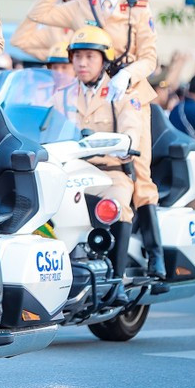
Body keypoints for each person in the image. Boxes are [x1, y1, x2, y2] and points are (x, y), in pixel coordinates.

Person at [27, 0, 165, 278]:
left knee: (139, 173)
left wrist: (128, 74)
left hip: (128, 92)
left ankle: (154, 252)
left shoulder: (136, 9)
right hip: (86, 90)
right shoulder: (82, 5)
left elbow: (150, 57)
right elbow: (39, 15)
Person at [63, 26, 142, 305]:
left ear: (104, 61)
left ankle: (117, 280)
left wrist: (125, 142)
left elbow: (132, 129)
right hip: (70, 170)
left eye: (90, 57)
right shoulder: (63, 92)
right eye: (77, 56)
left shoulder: (120, 93)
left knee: (117, 207)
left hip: (109, 173)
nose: (82, 63)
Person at [12, 0, 98, 61]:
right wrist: (58, 55)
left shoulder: (97, 25)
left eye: (80, 0)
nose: (73, 5)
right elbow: (20, 41)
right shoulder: (54, 29)